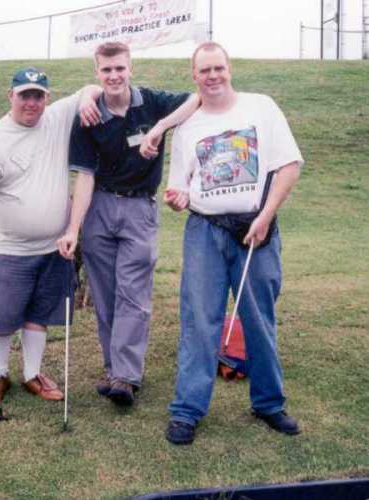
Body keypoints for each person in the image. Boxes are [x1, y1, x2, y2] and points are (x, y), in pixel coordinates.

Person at [163, 42, 304, 445]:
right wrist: (179, 200)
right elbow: (179, 189)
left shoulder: (261, 107)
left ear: (230, 69)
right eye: (204, 70)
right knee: (199, 321)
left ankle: (269, 404)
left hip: (256, 231)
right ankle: (187, 411)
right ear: (194, 76)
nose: (212, 76)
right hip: (205, 233)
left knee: (259, 318)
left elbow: (289, 165)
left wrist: (264, 216)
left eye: (218, 68)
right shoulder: (188, 127)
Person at [57, 42, 199, 407]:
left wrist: (160, 129)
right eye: (106, 71)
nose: (114, 76)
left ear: (130, 68)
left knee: (133, 292)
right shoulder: (88, 116)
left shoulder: (151, 102)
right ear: (97, 73)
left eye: (119, 68)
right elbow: (85, 177)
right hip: (100, 207)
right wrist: (74, 229)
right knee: (104, 294)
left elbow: (196, 99)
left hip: (140, 208)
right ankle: (113, 370)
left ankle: (127, 377)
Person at [0, 67, 102, 408]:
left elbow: (91, 85)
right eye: (25, 95)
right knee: (4, 314)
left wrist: (86, 99)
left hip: (53, 246)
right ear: (11, 96)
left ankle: (32, 374)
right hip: (10, 247)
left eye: (38, 95)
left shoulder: (56, 117)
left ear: (46, 99)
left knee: (39, 313)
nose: (31, 102)